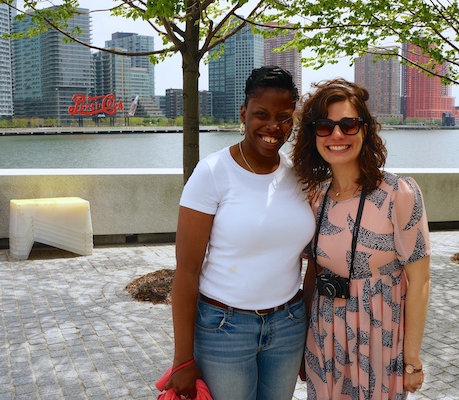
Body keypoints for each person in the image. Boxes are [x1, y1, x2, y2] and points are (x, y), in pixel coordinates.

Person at [164, 66, 315, 400]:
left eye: (284, 117)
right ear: (244, 113)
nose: (274, 127)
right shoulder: (212, 173)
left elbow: (313, 260)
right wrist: (181, 360)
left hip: (289, 324)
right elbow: (187, 271)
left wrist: (307, 333)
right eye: (261, 114)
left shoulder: (298, 176)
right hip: (224, 328)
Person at [293, 78, 431, 399]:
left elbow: (420, 282)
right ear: (313, 135)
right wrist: (303, 345)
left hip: (380, 337)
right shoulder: (316, 198)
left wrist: (411, 360)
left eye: (348, 124)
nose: (337, 135)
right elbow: (313, 274)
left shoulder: (398, 194)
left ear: (364, 130)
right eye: (324, 126)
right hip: (325, 337)